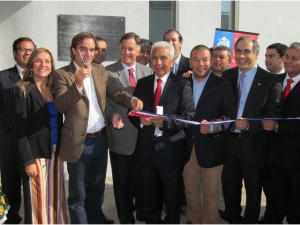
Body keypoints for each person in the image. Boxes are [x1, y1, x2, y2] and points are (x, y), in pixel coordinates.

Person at [52, 32, 143, 224]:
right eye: (83, 48)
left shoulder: (99, 71)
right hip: (79, 142)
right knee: (78, 195)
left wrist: (132, 99)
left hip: (101, 140)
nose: (88, 53)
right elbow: (61, 105)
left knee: (97, 189)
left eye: (91, 49)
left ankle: (96, 220)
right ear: (73, 51)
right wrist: (77, 84)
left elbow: (116, 93)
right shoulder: (62, 74)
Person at [129, 41, 195, 223]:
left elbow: (188, 117)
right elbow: (133, 114)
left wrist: (166, 121)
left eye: (163, 58)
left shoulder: (182, 85)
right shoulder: (142, 84)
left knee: (172, 197)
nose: (158, 62)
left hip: (171, 150)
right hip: (147, 150)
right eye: (154, 57)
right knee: (150, 196)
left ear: (172, 61)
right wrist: (140, 121)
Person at [221, 36, 282, 223]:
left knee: (253, 190)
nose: (241, 56)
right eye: (238, 51)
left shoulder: (271, 80)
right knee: (230, 187)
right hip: (230, 142)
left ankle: (250, 221)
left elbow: (274, 114)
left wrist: (250, 124)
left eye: (246, 51)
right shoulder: (228, 76)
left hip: (255, 145)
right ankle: (233, 218)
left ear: (256, 53)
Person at [10, 48, 67, 224]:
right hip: (35, 155)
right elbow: (18, 130)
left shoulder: (55, 89)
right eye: (38, 61)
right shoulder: (22, 90)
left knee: (56, 197)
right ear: (31, 65)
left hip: (56, 151)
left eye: (47, 61)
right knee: (38, 201)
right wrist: (27, 161)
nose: (43, 65)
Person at [183, 45, 234, 224]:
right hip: (187, 146)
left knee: (211, 192)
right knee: (190, 188)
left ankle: (209, 222)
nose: (201, 64)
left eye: (205, 59)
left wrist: (213, 126)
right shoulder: (183, 83)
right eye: (196, 60)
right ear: (190, 62)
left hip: (213, 146)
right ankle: (194, 219)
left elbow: (228, 116)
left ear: (211, 60)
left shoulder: (223, 85)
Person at [105, 32, 151, 224]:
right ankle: (125, 217)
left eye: (131, 48)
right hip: (121, 133)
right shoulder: (108, 72)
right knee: (122, 182)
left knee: (142, 179)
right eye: (123, 47)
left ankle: (142, 212)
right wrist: (113, 115)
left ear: (138, 51)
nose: (126, 52)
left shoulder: (147, 72)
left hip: (144, 135)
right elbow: (106, 102)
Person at [261, 42, 300, 223]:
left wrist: (278, 126)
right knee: (274, 195)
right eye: (287, 57)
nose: (289, 61)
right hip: (272, 154)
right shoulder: (274, 81)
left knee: (295, 201)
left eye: (295, 58)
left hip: (295, 156)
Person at [0, 37, 36, 224]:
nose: (27, 53)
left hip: (34, 146)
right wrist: (11, 123)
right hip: (9, 143)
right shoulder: (3, 77)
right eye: (23, 49)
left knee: (33, 189)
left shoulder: (41, 77)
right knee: (11, 188)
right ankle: (11, 219)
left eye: (31, 50)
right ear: (14, 52)